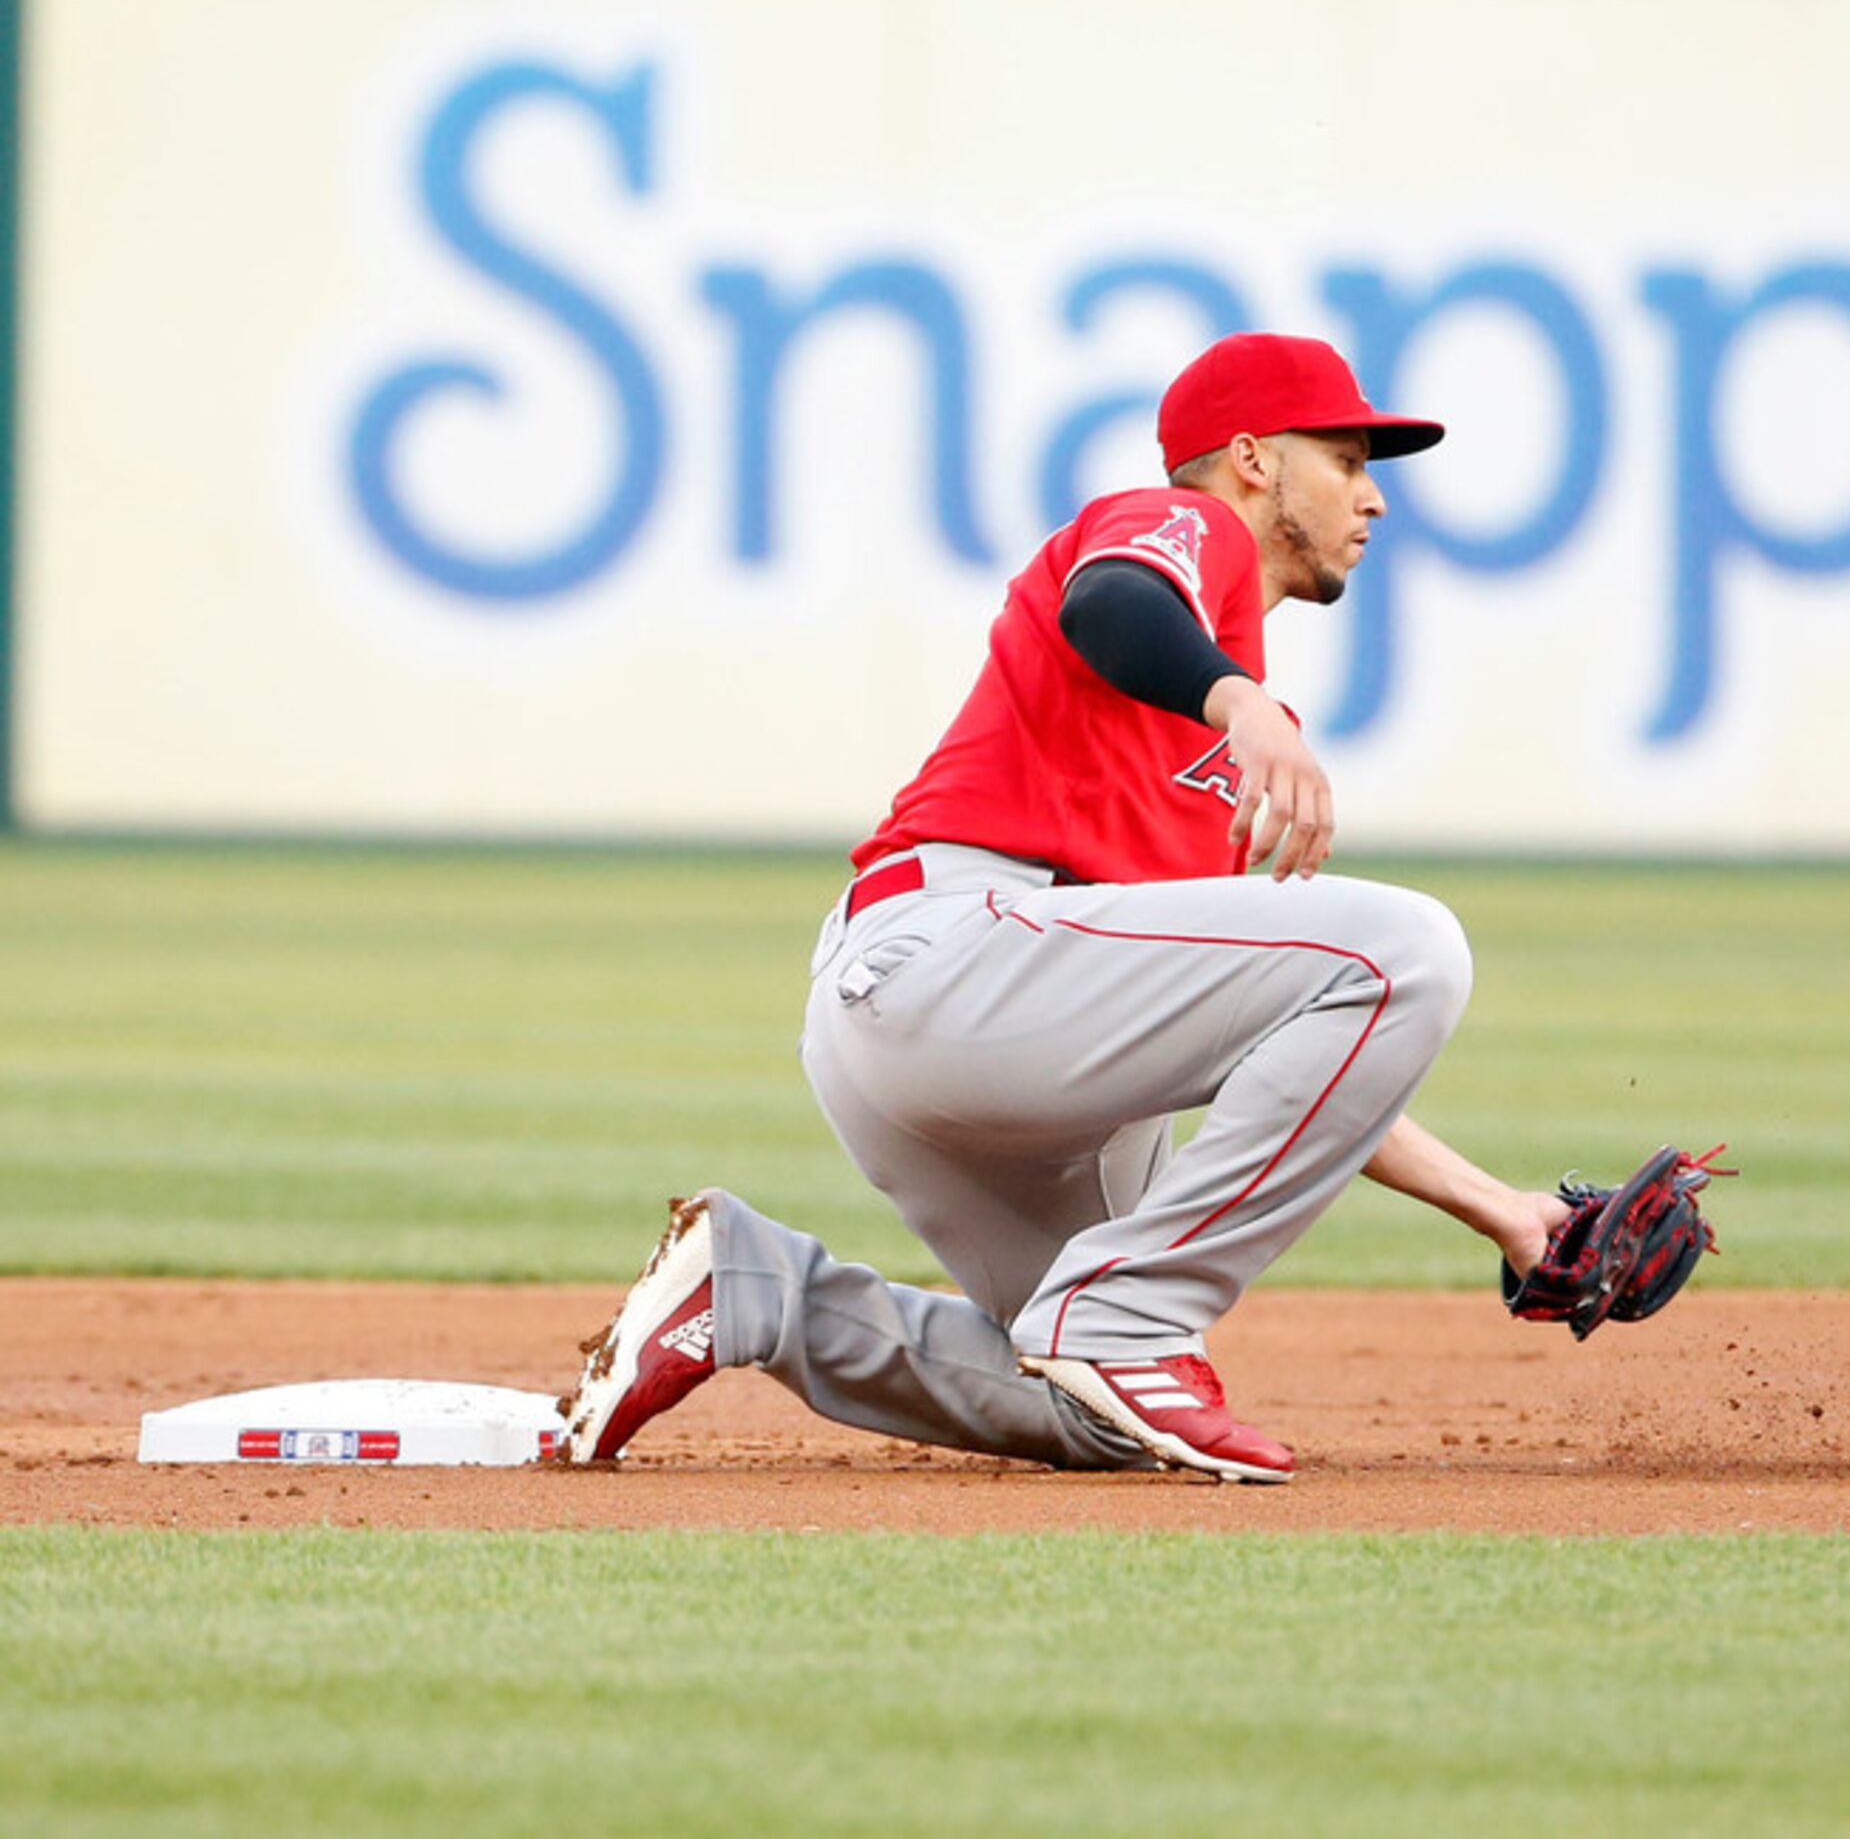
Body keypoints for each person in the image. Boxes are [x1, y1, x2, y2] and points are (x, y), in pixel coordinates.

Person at [559, 332, 1582, 1483]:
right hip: (950, 951)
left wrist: (1500, 1210)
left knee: (1104, 1409)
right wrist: (1238, 697)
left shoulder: (1221, 729)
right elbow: (1111, 599)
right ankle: (1118, 1316)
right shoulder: (1185, 536)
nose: (1373, 497)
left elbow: (1302, 1051)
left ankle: (757, 1290)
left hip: (989, 1032)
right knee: (1411, 944)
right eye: (1344, 458)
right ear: (1250, 457)